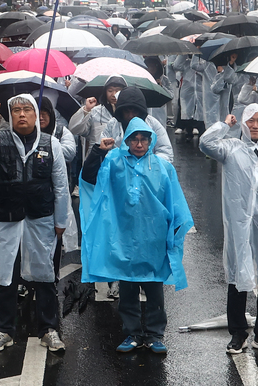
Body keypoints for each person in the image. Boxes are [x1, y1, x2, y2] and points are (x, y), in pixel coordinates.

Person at [80, 116, 193, 355]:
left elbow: (175, 201)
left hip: (153, 239)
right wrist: (97, 152)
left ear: (150, 141)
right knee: (128, 287)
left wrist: (173, 230)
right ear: (127, 140)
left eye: (144, 139)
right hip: (124, 238)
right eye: (134, 139)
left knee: (154, 289)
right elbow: (90, 178)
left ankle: (154, 334)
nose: (139, 144)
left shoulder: (163, 167)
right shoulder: (114, 162)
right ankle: (132, 333)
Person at [0, 94, 69, 354]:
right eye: (16, 111)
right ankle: (4, 329)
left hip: (41, 219)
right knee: (6, 275)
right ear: (10, 116)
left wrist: (61, 221)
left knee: (45, 274)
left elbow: (60, 186)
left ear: (36, 115)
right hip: (8, 219)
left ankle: (48, 328)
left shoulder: (51, 144)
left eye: (27, 110)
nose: (22, 115)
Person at [201, 106, 258, 356]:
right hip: (239, 223)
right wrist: (224, 125)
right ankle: (238, 333)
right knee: (236, 272)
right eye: (250, 121)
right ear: (243, 124)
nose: (255, 125)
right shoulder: (230, 149)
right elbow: (205, 143)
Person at [71, 85, 174, 164]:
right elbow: (103, 152)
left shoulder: (153, 125)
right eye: (127, 112)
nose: (131, 115)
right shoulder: (112, 125)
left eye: (135, 112)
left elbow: (165, 152)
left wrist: (147, 165)